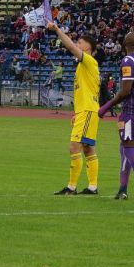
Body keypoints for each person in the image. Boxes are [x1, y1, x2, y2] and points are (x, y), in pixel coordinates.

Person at [97, 31, 134, 201]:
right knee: (124, 148)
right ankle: (122, 190)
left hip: (131, 110)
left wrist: (105, 107)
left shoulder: (128, 61)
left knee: (129, 148)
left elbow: (125, 91)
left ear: (124, 45)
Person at [47, 21, 101, 195]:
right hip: (86, 111)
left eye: (80, 42)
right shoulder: (83, 66)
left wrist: (57, 29)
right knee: (87, 148)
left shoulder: (89, 61)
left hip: (88, 111)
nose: (77, 44)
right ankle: (92, 187)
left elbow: (70, 46)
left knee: (74, 147)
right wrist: (76, 113)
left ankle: (71, 187)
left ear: (88, 47)